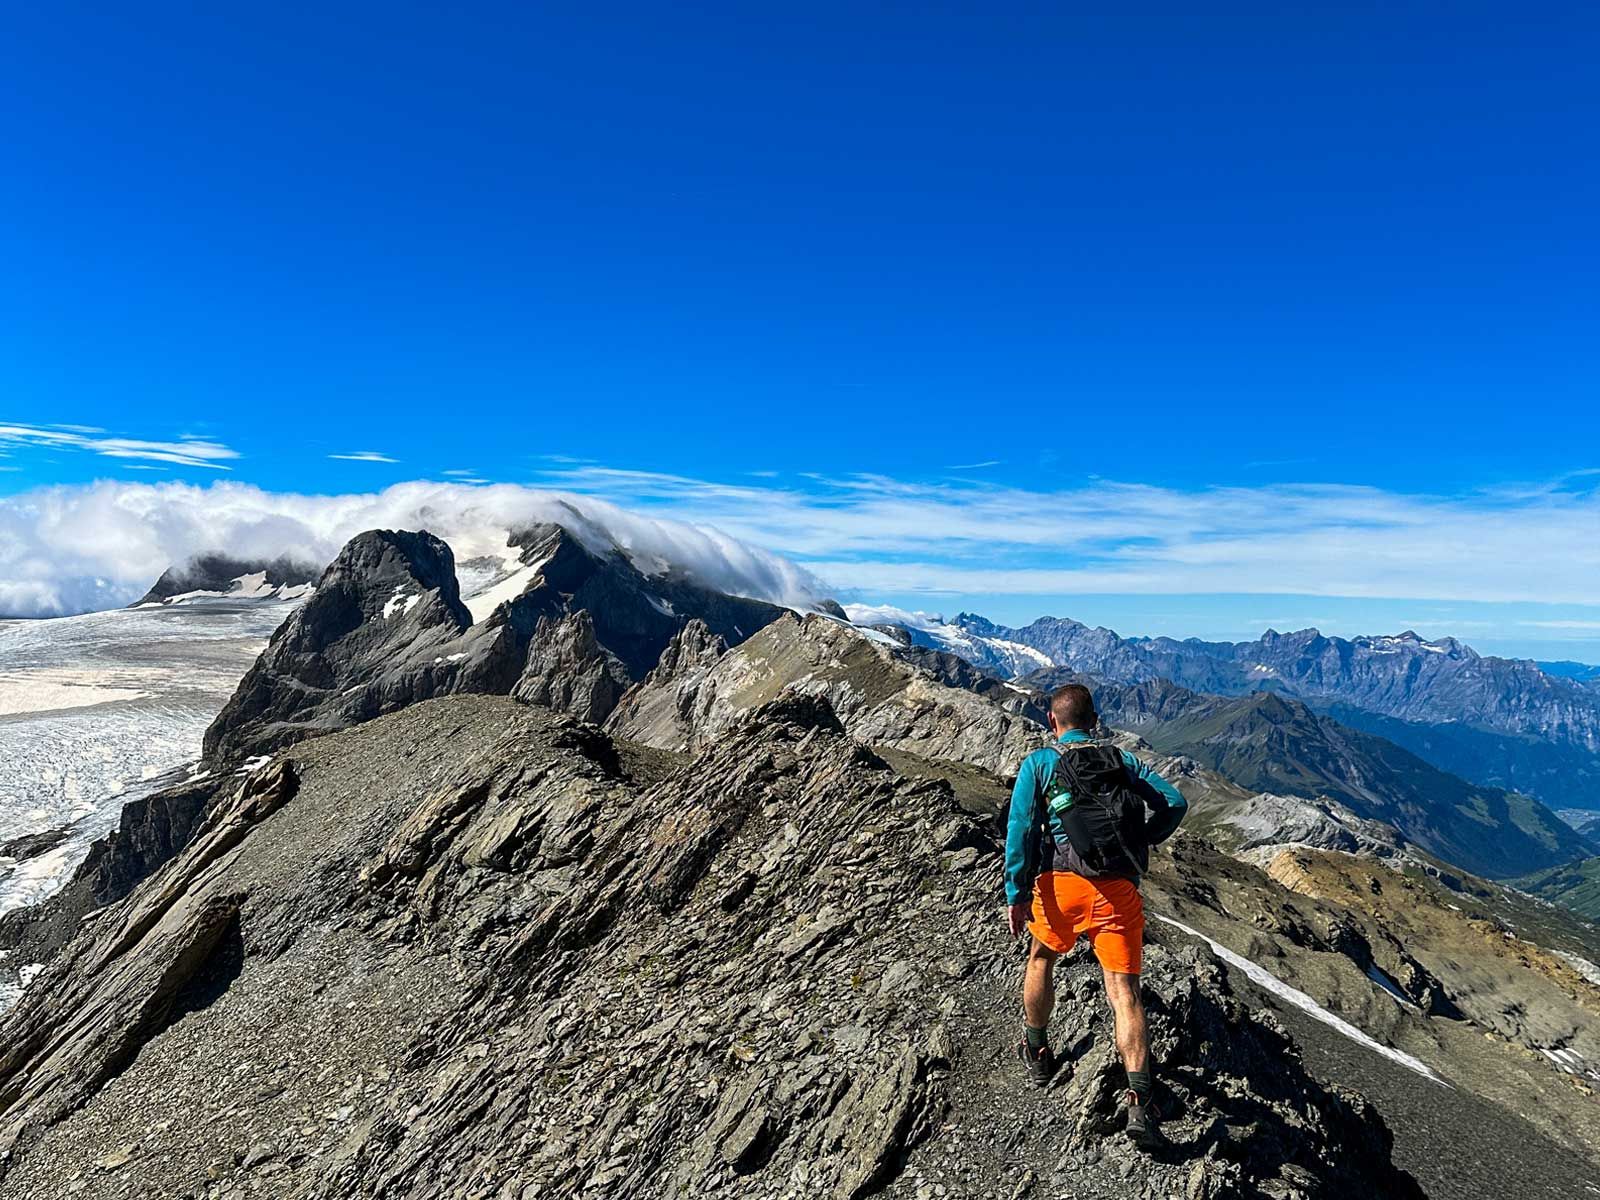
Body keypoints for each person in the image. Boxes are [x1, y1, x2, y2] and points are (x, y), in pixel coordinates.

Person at [1003, 682, 1187, 1148]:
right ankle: (1140, 1101)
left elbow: (1022, 828)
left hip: (1059, 887)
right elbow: (1176, 802)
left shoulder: (1040, 764)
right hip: (1117, 892)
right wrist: (1144, 838)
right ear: (1095, 720)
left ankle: (1038, 1049)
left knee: (1041, 958)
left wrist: (1016, 891)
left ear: (1053, 722)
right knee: (1124, 992)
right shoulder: (1122, 760)